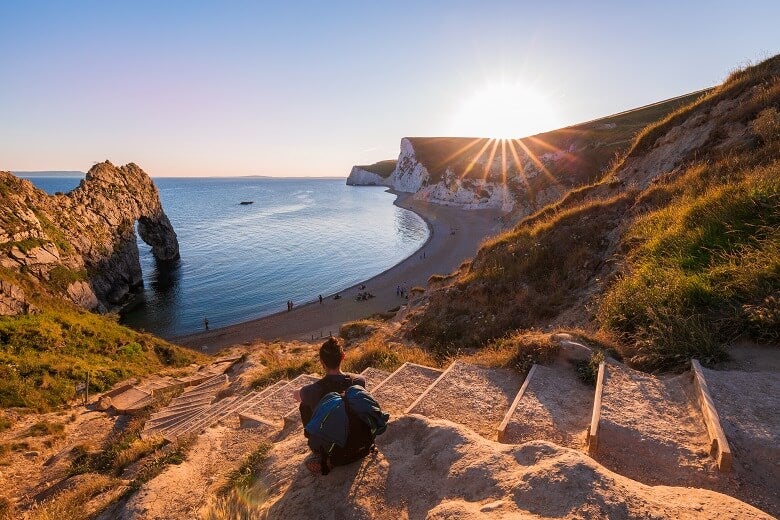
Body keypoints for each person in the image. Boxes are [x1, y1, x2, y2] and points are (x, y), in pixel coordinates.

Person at [294, 336, 367, 473]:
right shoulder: (359, 381)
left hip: (336, 449)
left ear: (321, 361)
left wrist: (303, 391)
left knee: (304, 405)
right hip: (361, 443)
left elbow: (295, 395)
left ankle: (322, 453)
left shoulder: (313, 390)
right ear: (343, 356)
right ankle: (334, 454)